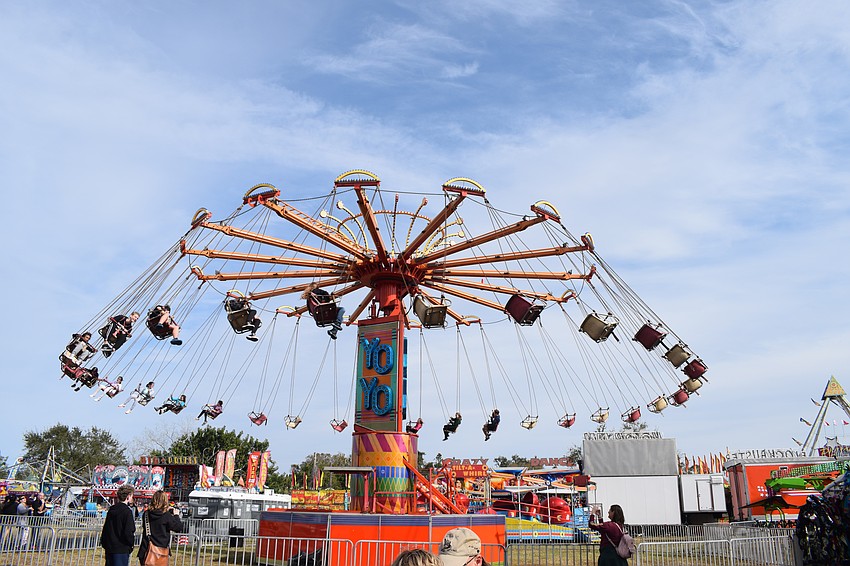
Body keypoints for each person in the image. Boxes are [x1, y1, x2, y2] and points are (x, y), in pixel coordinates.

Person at [138, 490, 183, 566]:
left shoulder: (146, 514)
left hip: (146, 549)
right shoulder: (166, 515)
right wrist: (176, 516)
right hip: (161, 550)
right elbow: (178, 527)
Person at [100, 484, 135, 566]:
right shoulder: (127, 512)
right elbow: (129, 531)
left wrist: (105, 543)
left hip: (110, 547)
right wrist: (131, 544)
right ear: (128, 497)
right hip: (122, 548)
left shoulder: (111, 510)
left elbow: (106, 528)